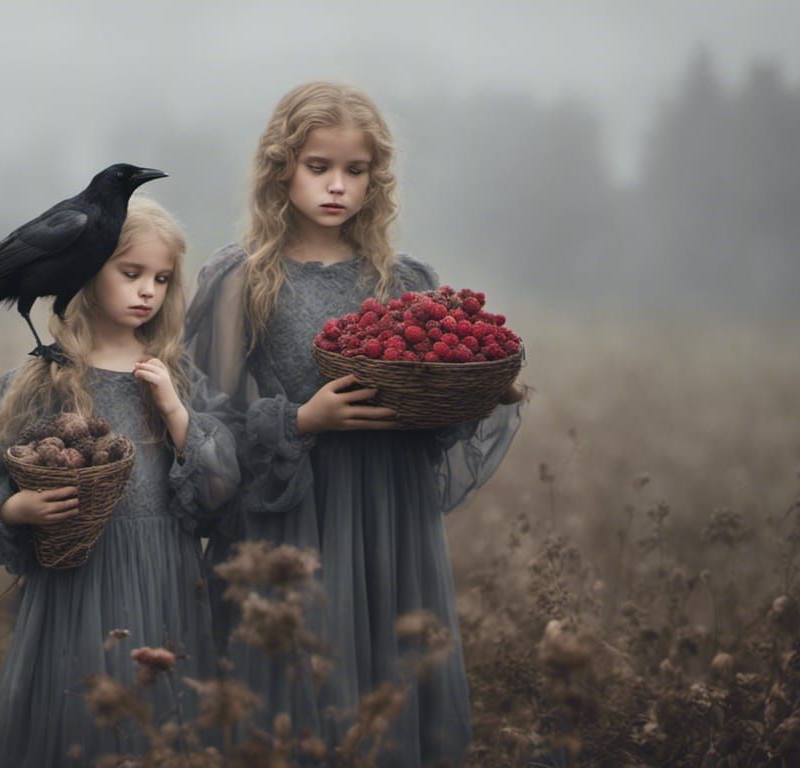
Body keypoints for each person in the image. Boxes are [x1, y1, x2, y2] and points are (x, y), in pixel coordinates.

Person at [185, 81, 525, 765]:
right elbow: (211, 425)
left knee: (389, 674)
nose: (337, 185)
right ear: (284, 169)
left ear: (376, 178)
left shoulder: (406, 279)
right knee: (309, 676)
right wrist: (304, 419)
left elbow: (433, 399)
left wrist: (469, 393)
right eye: (319, 167)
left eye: (355, 170)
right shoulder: (243, 279)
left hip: (389, 507)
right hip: (298, 505)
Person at [0, 196, 241, 766]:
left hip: (166, 577)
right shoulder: (51, 373)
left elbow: (218, 490)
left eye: (161, 278)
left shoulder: (176, 373)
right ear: (87, 269)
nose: (147, 291)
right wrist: (17, 510)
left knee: (160, 719)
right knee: (82, 716)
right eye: (130, 273)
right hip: (77, 584)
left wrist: (176, 412)